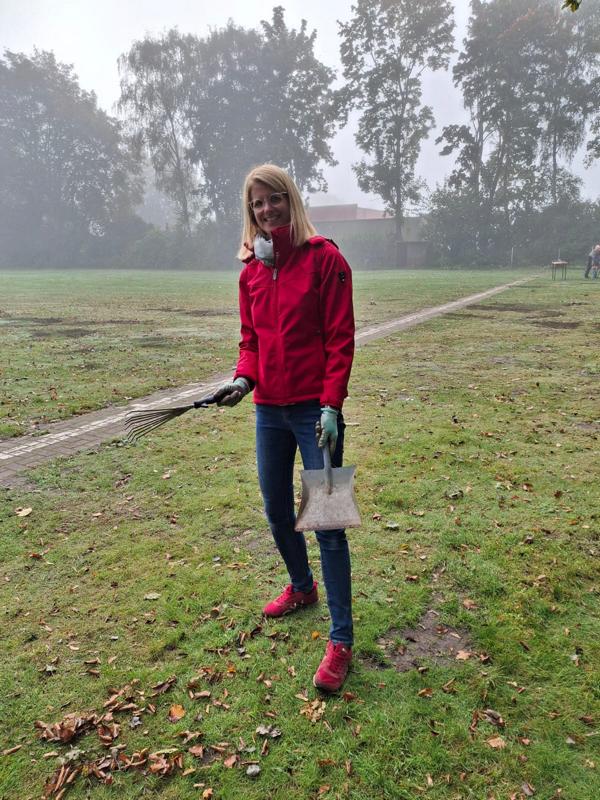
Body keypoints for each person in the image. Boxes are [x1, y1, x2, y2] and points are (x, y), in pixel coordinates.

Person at [213, 164, 355, 692]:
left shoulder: (325, 260)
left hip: (317, 414)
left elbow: (340, 340)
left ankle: (341, 640)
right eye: (256, 203)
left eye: (273, 198)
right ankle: (302, 586)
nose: (266, 209)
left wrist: (331, 405)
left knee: (328, 524)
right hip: (268, 412)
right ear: (250, 212)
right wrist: (242, 379)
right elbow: (250, 341)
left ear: (289, 199)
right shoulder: (251, 272)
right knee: (276, 512)